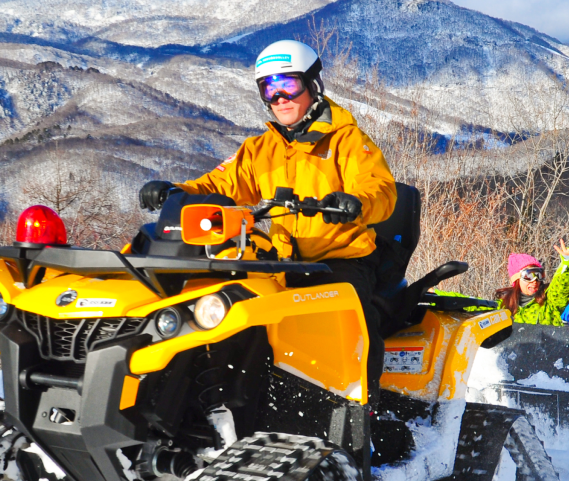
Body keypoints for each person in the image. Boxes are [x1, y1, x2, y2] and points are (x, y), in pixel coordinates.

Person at [138, 39, 397, 406]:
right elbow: (218, 185)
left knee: (347, 316)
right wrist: (175, 192)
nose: (280, 98)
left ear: (312, 84)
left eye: (288, 85)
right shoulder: (261, 149)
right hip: (281, 262)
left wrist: (355, 203)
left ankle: (362, 407)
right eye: (269, 88)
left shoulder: (347, 141)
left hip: (340, 260)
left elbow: (381, 189)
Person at [493, 237, 569, 325]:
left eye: (539, 274)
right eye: (529, 275)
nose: (535, 281)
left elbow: (562, 288)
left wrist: (567, 263)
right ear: (516, 279)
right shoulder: (503, 308)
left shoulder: (549, 302)